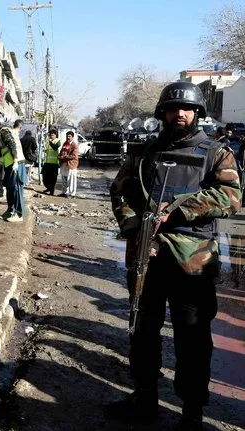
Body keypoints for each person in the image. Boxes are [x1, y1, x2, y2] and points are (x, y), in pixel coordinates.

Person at [108, 81, 241, 430]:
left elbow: (230, 197)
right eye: (173, 108)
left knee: (193, 339)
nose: (180, 114)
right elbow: (119, 192)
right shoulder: (144, 152)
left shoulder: (216, 153)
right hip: (146, 260)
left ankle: (192, 412)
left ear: (198, 113)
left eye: (187, 109)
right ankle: (144, 398)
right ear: (162, 113)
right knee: (142, 332)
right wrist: (133, 225)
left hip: (192, 263)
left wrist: (181, 209)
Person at [0, 119, 27, 222]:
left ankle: (19, 214)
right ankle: (10, 211)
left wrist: (15, 160)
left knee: (16, 188)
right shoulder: (12, 132)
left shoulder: (4, 131)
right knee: (10, 188)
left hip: (16, 163)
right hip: (11, 163)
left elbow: (12, 145)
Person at [57, 131, 79, 198]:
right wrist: (59, 156)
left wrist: (65, 156)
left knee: (71, 180)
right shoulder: (65, 143)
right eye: (67, 136)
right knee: (64, 179)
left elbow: (74, 156)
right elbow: (61, 152)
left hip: (71, 164)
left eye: (69, 136)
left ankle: (72, 194)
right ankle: (64, 192)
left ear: (72, 137)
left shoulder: (74, 145)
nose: (68, 137)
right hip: (64, 164)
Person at [41, 129, 60, 195]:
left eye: (52, 135)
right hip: (47, 162)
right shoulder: (47, 141)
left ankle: (52, 191)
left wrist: (51, 142)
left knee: (53, 178)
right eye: (50, 135)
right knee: (45, 177)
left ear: (55, 135)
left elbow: (55, 148)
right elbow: (46, 149)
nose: (51, 136)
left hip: (54, 163)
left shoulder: (58, 141)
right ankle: (48, 187)